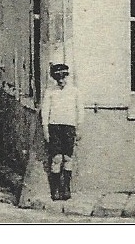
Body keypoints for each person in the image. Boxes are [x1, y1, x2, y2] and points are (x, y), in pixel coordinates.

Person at [41, 63, 82, 201]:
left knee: (68, 158)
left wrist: (79, 127)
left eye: (63, 77)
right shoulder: (50, 92)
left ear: (67, 77)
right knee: (56, 158)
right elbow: (45, 111)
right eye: (58, 78)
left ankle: (66, 188)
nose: (61, 80)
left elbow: (79, 110)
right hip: (54, 127)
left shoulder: (74, 91)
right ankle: (56, 190)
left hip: (69, 126)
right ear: (54, 78)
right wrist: (46, 130)